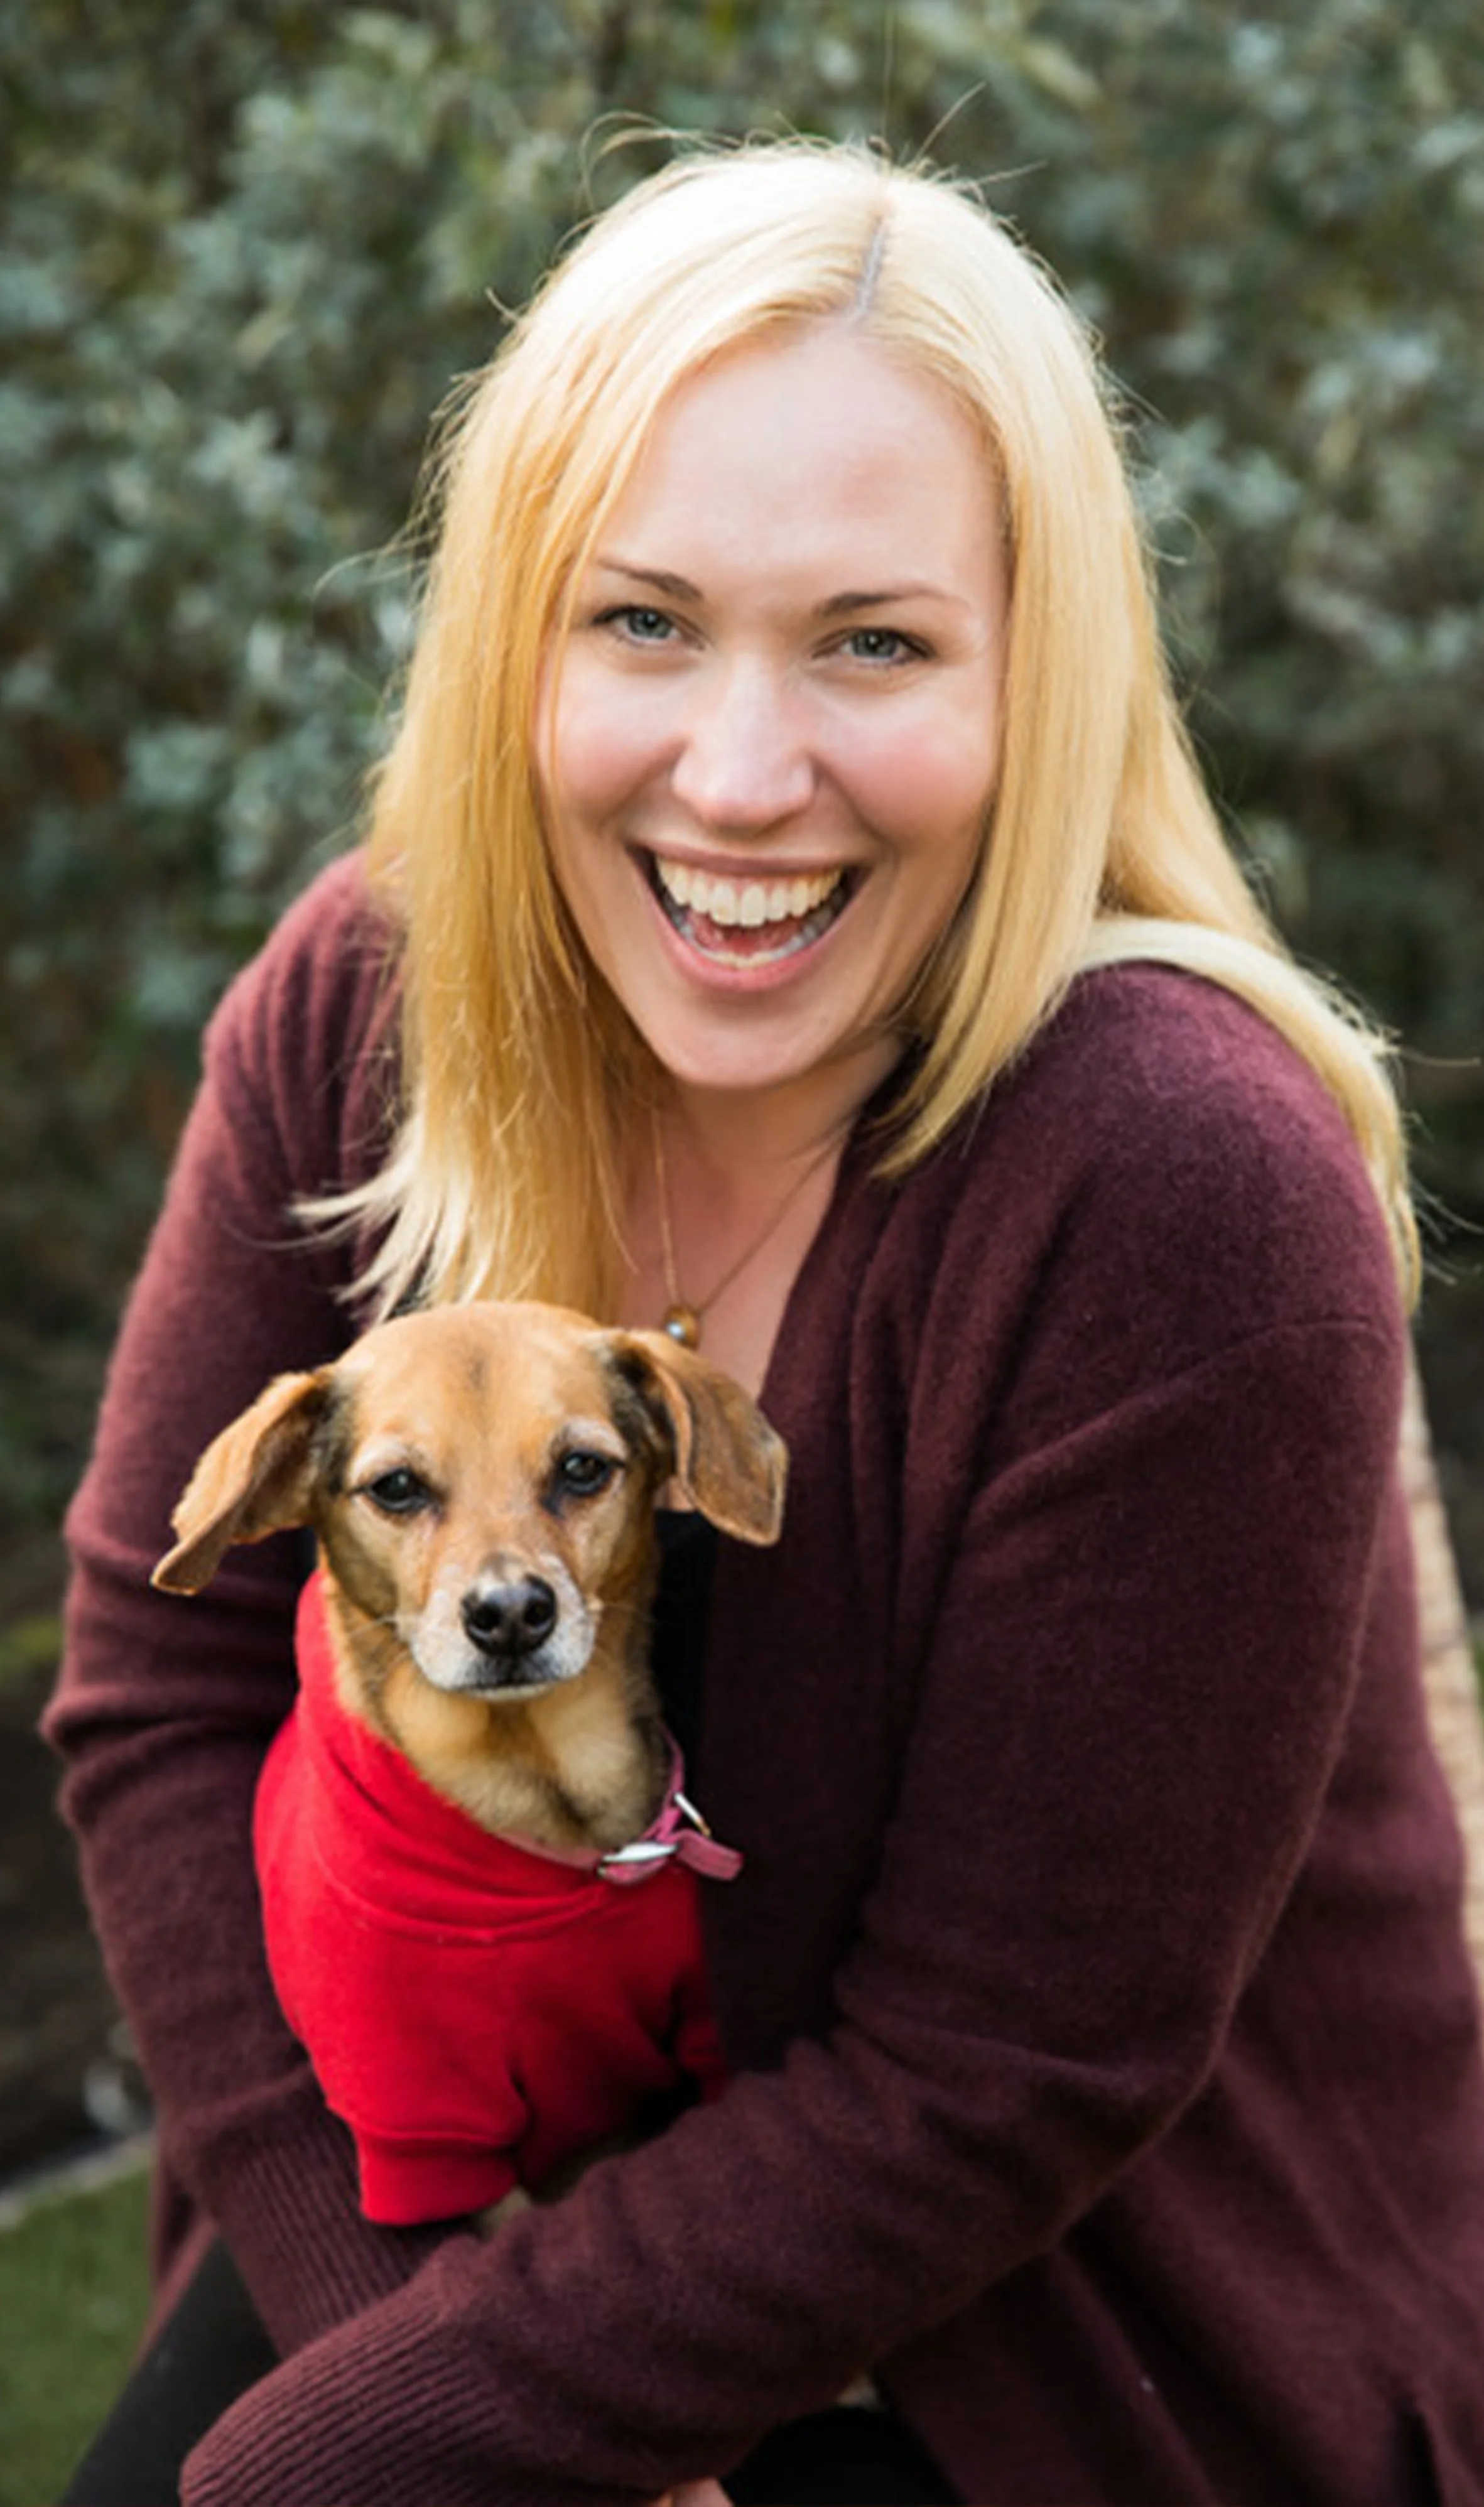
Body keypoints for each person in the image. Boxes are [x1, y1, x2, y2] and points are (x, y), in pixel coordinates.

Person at [48, 136, 1484, 2507]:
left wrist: (396, 2443)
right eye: (642, 621)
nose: (740, 774)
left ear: (1047, 675)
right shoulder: (376, 993)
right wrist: (404, 2362)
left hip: (1061, 2341)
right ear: (514, 628)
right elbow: (158, 1680)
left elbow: (1009, 2067)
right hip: (455, 2202)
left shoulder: (1178, 1188)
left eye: (876, 641)